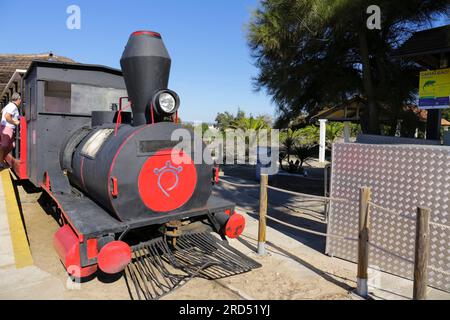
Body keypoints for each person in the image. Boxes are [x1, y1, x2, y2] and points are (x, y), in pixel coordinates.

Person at [0, 93, 21, 169]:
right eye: (20, 99)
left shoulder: (9, 105)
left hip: (6, 127)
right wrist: (15, 122)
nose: (21, 101)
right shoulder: (13, 106)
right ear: (18, 99)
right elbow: (7, 116)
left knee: (12, 145)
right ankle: (1, 162)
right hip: (7, 127)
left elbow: (3, 111)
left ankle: (1, 159)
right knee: (4, 145)